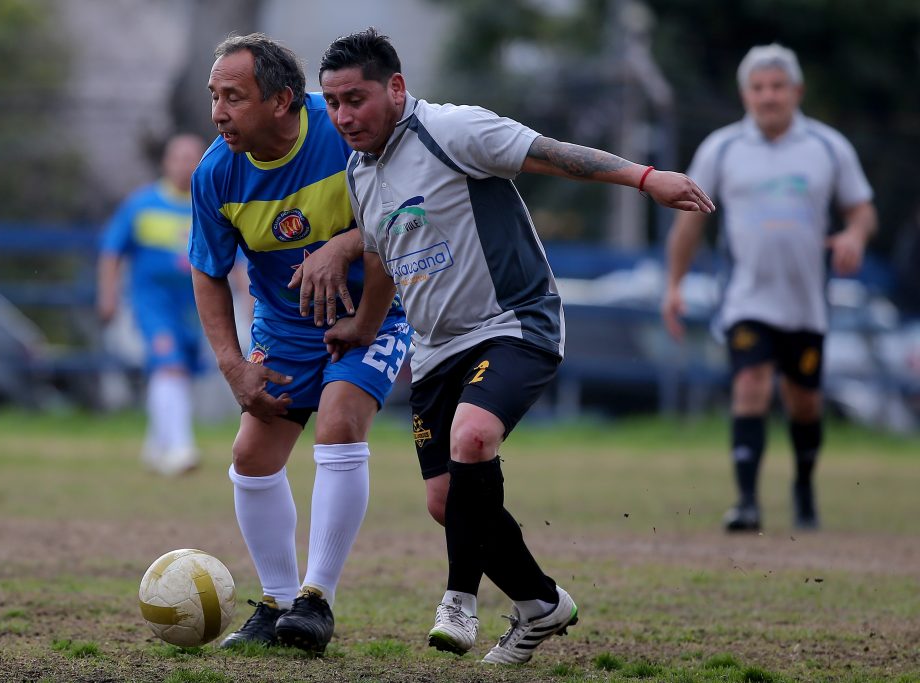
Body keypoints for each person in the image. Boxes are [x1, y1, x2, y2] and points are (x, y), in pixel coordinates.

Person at [316, 28, 713, 664]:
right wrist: (364, 327)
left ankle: (458, 600)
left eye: (355, 99)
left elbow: (550, 153)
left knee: (472, 438)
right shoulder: (361, 173)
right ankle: (540, 604)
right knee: (448, 503)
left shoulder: (453, 131)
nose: (343, 116)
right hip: (436, 350)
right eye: (332, 103)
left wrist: (645, 178)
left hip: (514, 322)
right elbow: (382, 254)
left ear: (396, 88)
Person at [188, 33, 411, 655]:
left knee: (339, 423)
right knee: (252, 456)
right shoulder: (216, 173)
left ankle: (317, 600)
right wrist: (233, 366)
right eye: (214, 96)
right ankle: (279, 601)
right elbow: (207, 271)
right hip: (285, 327)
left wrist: (343, 245)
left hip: (377, 310)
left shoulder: (341, 126)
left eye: (235, 96)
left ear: (284, 99)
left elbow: (407, 205)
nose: (219, 111)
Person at [662, 44, 877, 533]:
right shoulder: (721, 149)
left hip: (805, 304)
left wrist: (854, 235)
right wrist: (674, 285)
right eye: (759, 88)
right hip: (746, 298)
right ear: (745, 94)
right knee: (750, 383)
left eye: (778, 86)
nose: (769, 96)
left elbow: (861, 209)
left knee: (803, 401)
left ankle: (803, 487)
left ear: (796, 91)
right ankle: (747, 502)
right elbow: (689, 224)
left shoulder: (827, 147)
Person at [97, 133, 210, 476]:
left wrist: (248, 301)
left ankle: (157, 444)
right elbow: (112, 251)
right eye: (179, 157)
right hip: (152, 303)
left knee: (181, 372)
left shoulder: (209, 208)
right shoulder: (141, 204)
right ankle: (180, 448)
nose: (186, 165)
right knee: (169, 366)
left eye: (193, 158)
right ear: (166, 162)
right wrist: (108, 294)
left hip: (194, 306)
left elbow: (233, 261)